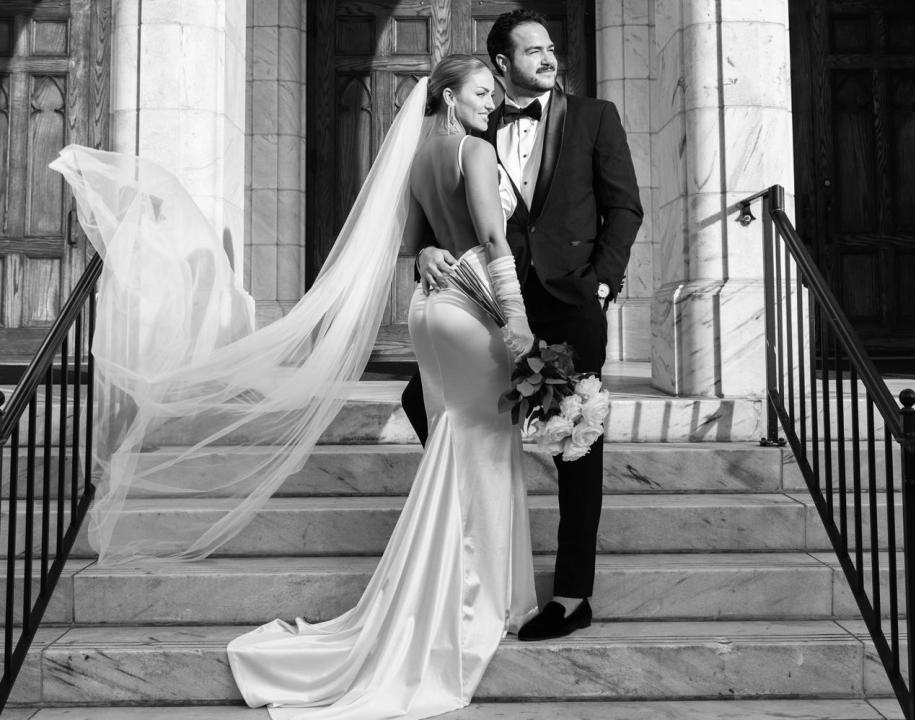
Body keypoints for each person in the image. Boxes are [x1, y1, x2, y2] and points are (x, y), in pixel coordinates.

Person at [227, 55, 539, 719]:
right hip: (473, 307)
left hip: (428, 313)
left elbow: (414, 241)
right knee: (483, 446)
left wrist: (428, 253)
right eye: (481, 92)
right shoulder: (475, 150)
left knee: (461, 441)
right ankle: (480, 600)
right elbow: (489, 233)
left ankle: (477, 592)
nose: (492, 101)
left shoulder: (421, 154)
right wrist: (515, 314)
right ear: (449, 97)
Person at [404, 10, 644, 642]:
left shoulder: (596, 116)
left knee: (577, 439)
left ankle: (570, 593)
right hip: (493, 300)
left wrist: (601, 280)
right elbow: (450, 207)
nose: (548, 57)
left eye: (551, 47)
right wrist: (425, 248)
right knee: (420, 400)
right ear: (502, 63)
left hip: (568, 301)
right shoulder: (474, 130)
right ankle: (467, 552)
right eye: (532, 50)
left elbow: (625, 205)